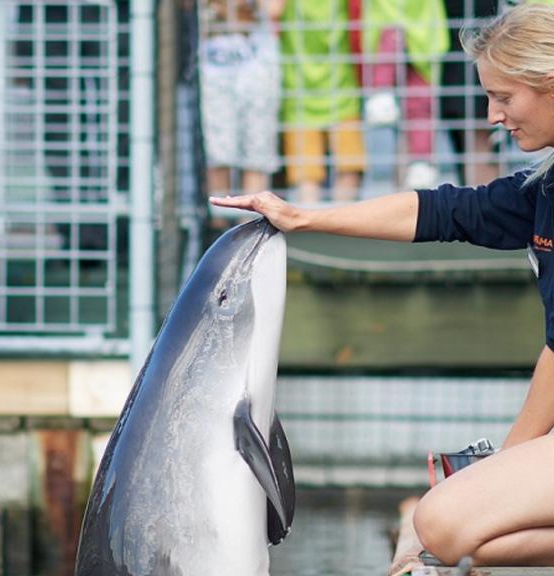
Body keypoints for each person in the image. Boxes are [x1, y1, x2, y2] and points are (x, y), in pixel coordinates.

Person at [211, 3, 554, 568]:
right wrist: (305, 217)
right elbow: (445, 212)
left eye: (504, 97)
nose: (493, 116)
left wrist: (503, 469)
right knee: (430, 535)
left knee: (438, 523)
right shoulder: (543, 185)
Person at [199, 0, 282, 228]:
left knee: (256, 156)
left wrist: (225, 7)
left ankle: (252, 229)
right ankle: (217, 230)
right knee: (217, 157)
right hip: (213, 69)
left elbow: (274, 8)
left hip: (257, 68)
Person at [276, 0, 366, 204]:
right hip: (326, 94)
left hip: (316, 95)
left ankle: (319, 229)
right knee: (339, 171)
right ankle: (339, 227)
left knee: (309, 177)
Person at [363, 0, 450, 190]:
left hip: (422, 35)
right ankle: (381, 94)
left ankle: (421, 162)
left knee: (420, 104)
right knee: (389, 42)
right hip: (395, 31)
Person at [440, 0, 500, 187]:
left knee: (479, 136)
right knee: (472, 136)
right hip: (447, 46)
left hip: (491, 36)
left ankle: (486, 209)